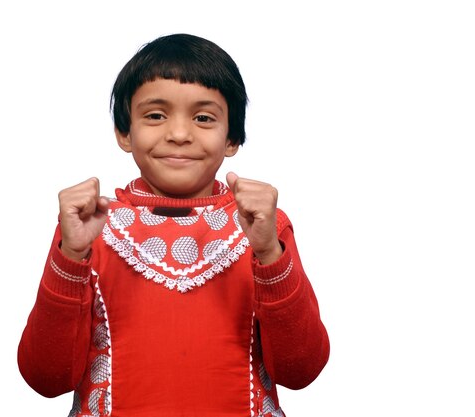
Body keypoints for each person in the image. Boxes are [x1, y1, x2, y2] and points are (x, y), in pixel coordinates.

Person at [17, 33, 330, 417]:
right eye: (155, 115)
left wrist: (268, 253)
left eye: (203, 117)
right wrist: (69, 256)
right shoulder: (88, 228)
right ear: (124, 132)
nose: (179, 134)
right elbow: (46, 378)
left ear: (232, 137)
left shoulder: (262, 227)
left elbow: (302, 370)